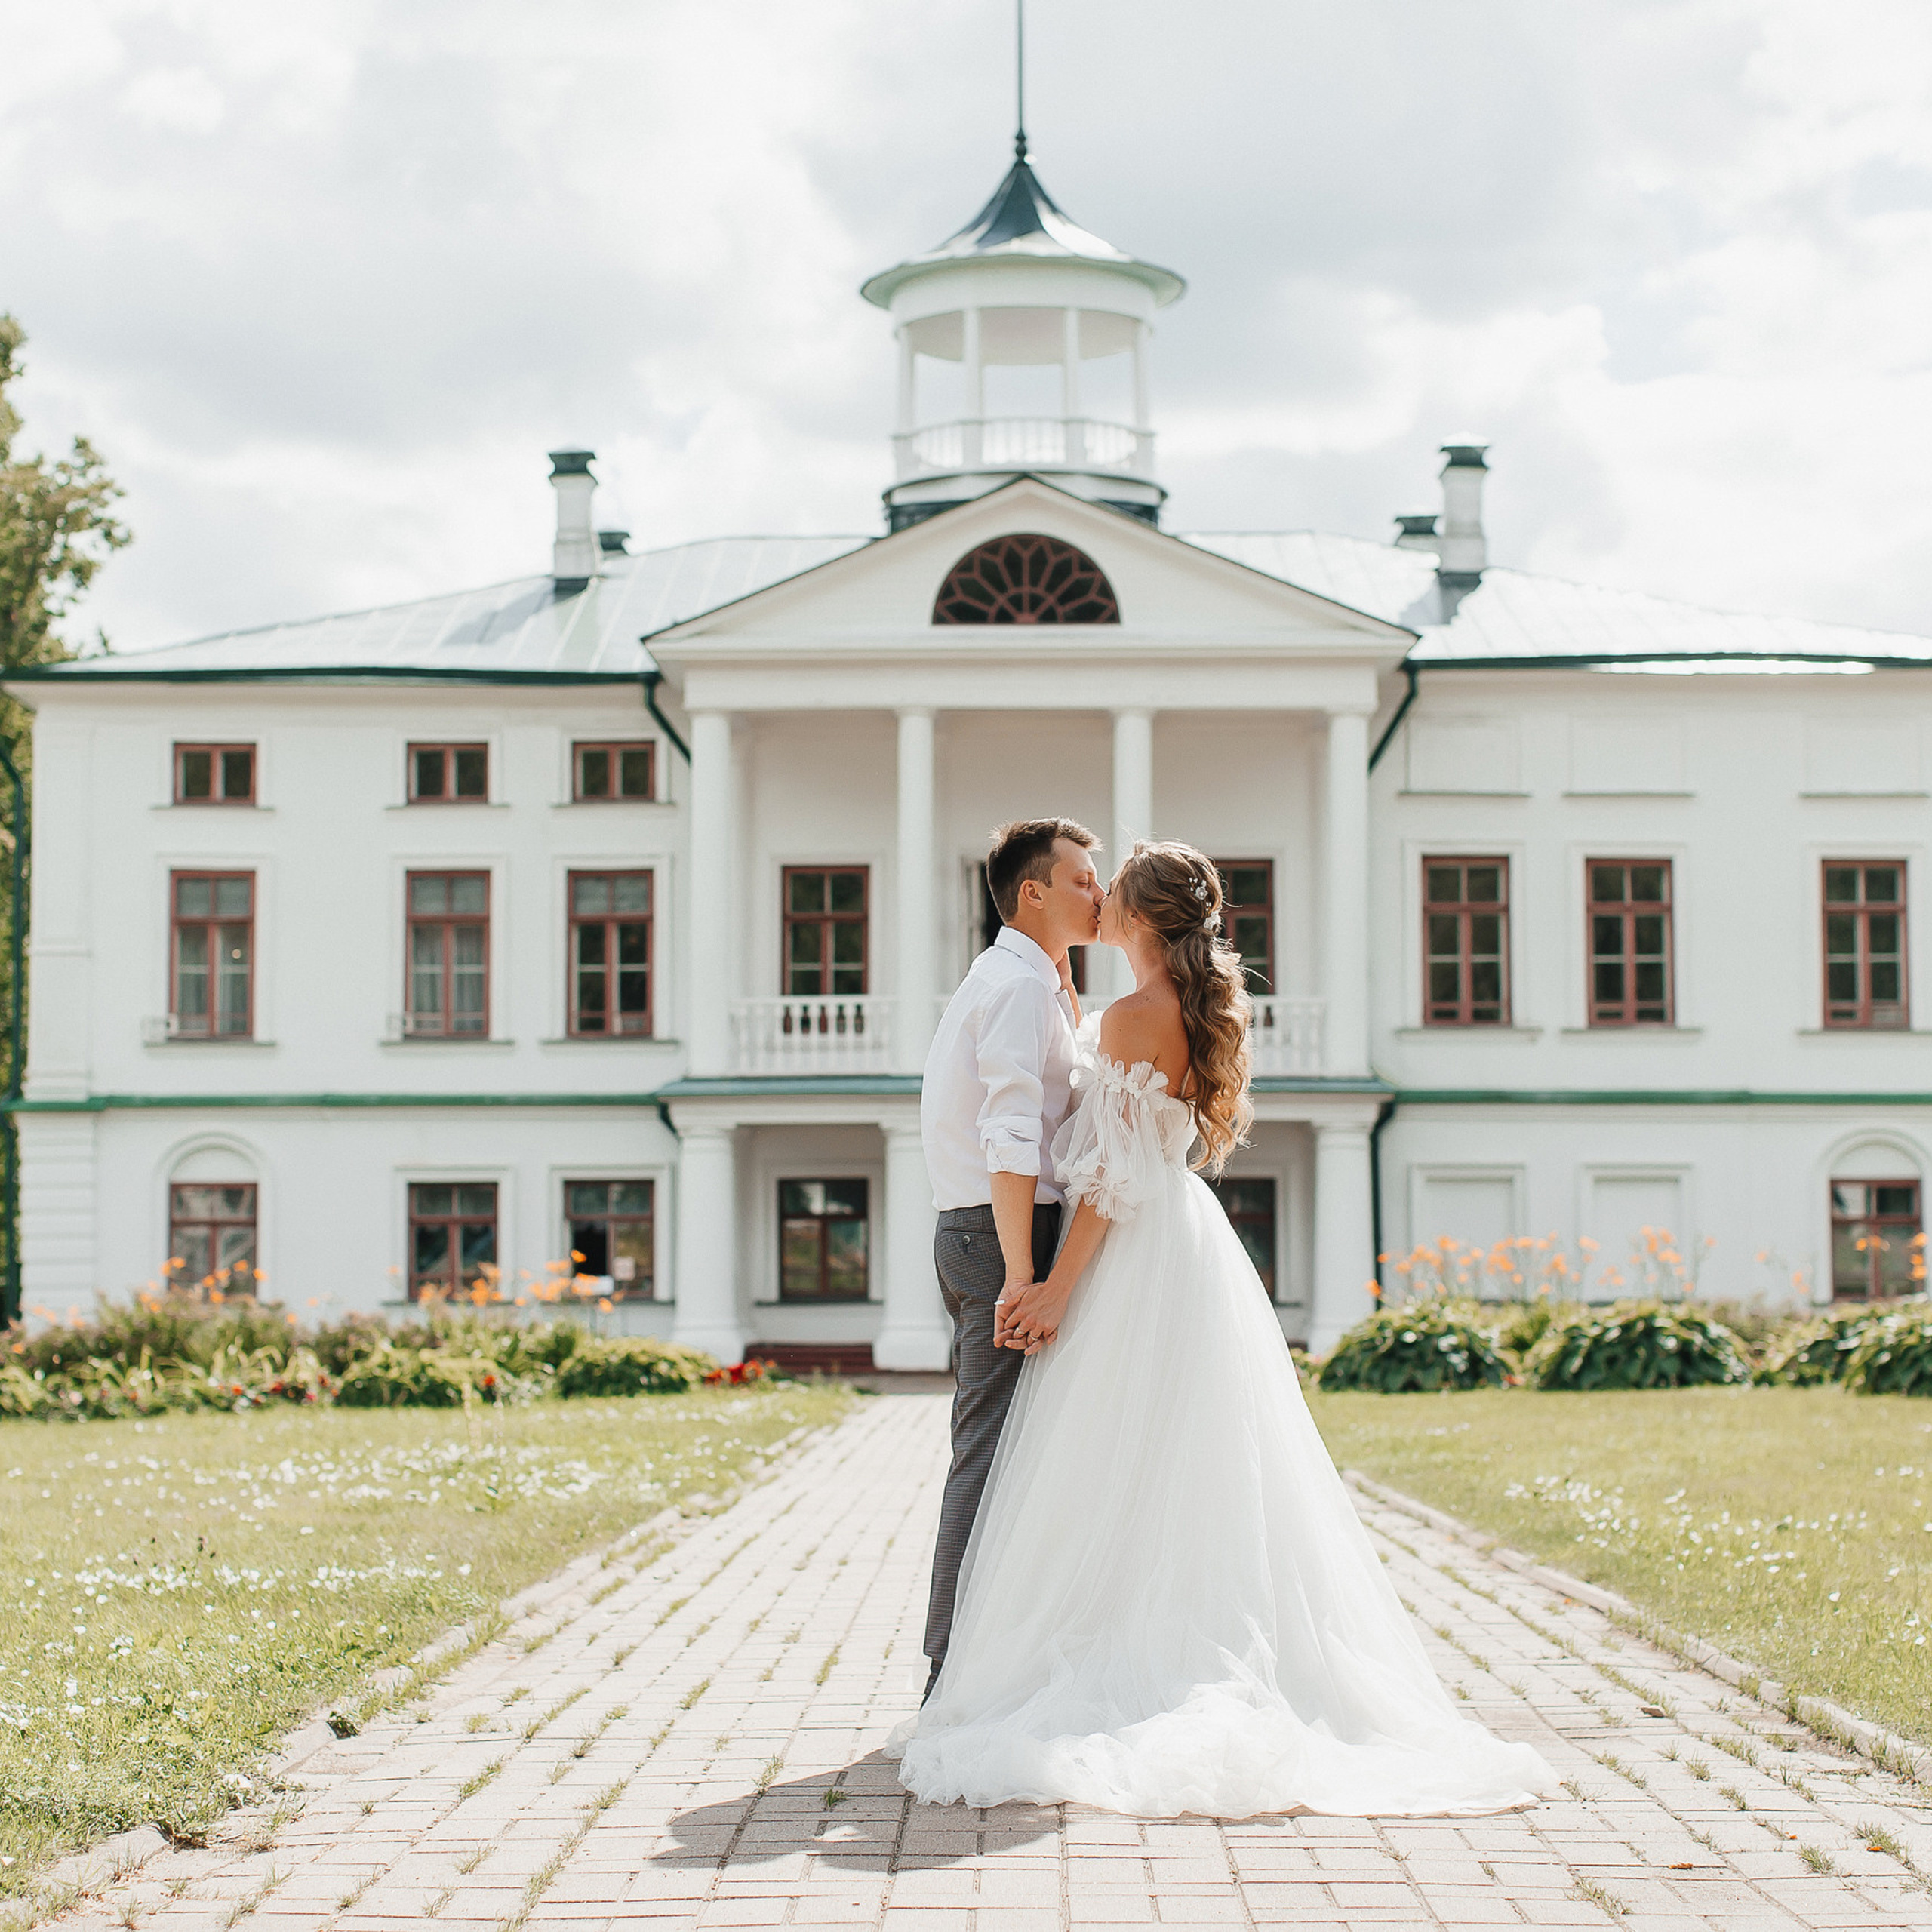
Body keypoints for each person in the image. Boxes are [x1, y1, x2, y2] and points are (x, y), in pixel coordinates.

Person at [894, 841, 1554, 1818]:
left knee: (1094, 1450)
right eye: (1087, 881)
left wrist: (1055, 1286)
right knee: (1179, 1451)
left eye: (1109, 889)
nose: (1097, 896)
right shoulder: (1149, 1008)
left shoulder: (1126, 1013)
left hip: (1122, 1246)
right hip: (1183, 1241)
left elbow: (1107, 1181)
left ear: (1142, 919)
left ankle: (1051, 1649)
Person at [916, 817, 1104, 1704]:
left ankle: (984, 1658)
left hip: (990, 1229)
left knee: (1009, 1447)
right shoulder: (1017, 988)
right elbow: (1009, 1132)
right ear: (1033, 892)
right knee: (987, 1450)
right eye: (1082, 881)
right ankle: (949, 1672)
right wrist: (1025, 1271)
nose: (1098, 895)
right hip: (1000, 1234)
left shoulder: (1035, 980)